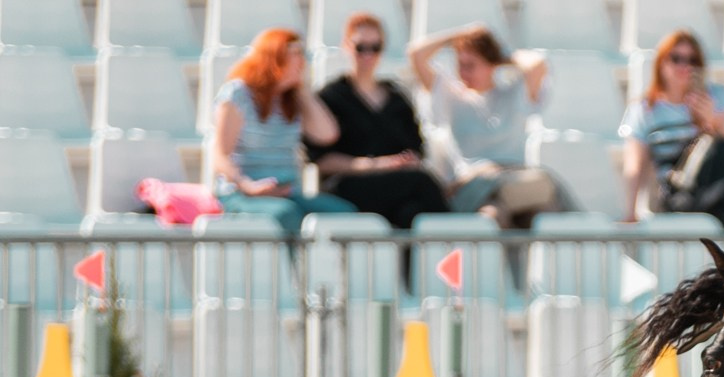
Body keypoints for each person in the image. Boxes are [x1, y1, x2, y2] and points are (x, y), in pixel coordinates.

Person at [408, 24, 576, 229]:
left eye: (471, 65)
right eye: (460, 64)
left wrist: (500, 56)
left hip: (516, 181)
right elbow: (416, 54)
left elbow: (537, 65)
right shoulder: (452, 97)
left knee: (545, 213)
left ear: (491, 64)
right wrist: (459, 36)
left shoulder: (513, 95)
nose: (463, 72)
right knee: (493, 215)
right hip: (476, 185)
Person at [208, 28, 358, 232]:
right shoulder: (238, 94)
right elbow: (220, 156)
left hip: (287, 194)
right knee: (285, 214)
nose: (302, 61)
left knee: (344, 213)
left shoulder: (291, 99)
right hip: (241, 195)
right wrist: (248, 186)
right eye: (295, 53)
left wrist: (302, 91)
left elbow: (327, 135)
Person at [309, 13, 450, 229]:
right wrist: (375, 165)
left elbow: (415, 147)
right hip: (349, 185)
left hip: (398, 187)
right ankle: (458, 245)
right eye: (361, 47)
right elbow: (321, 160)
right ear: (346, 46)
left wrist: (405, 161)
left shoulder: (397, 97)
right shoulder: (330, 97)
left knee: (412, 212)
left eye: (375, 47)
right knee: (422, 183)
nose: (368, 55)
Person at [619, 30, 724, 226]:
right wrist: (630, 213)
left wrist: (711, 121)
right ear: (661, 63)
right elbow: (635, 165)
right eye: (676, 58)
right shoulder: (644, 109)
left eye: (692, 60)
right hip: (675, 194)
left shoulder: (716, 96)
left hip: (715, 190)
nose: (685, 66)